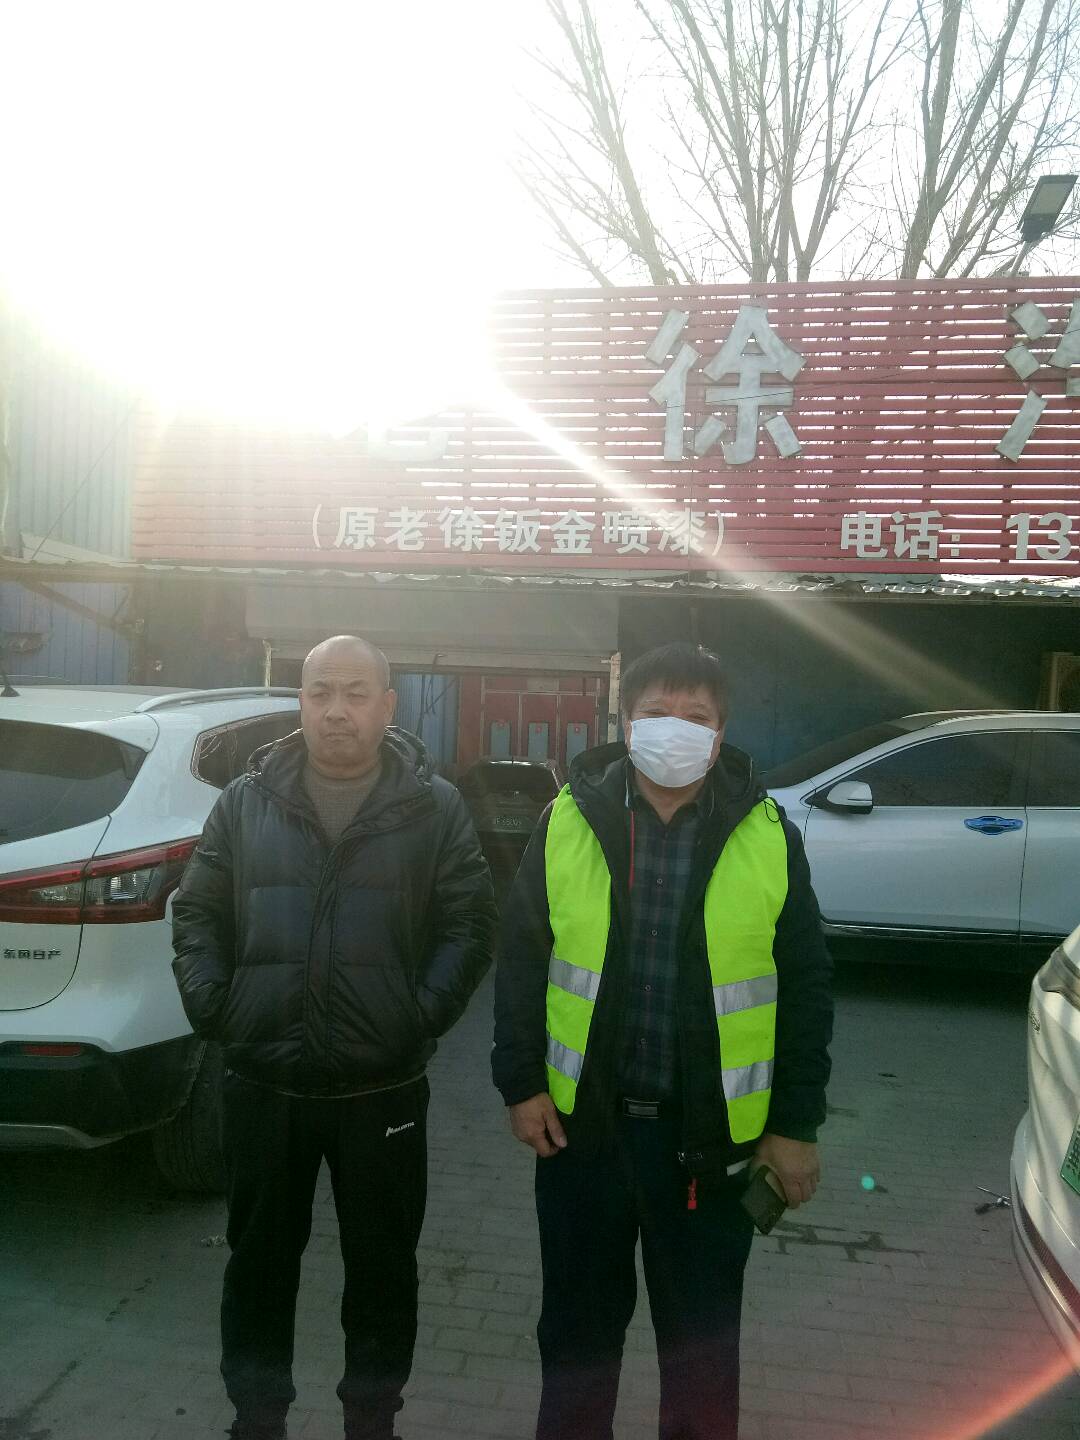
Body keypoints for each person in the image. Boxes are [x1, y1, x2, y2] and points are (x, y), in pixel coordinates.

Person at [492, 641, 833, 1440]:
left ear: (721, 734)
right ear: (625, 721)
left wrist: (795, 1125)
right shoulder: (569, 818)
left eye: (696, 716)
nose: (675, 729)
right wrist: (521, 1082)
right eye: (657, 712)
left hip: (709, 1150)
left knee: (701, 1363)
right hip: (583, 1140)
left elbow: (807, 986)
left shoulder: (767, 833)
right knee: (576, 1344)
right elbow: (521, 956)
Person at [172, 635, 496, 1440]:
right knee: (258, 1268)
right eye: (320, 693)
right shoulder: (245, 802)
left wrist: (416, 1017)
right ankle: (256, 1419)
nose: (336, 711)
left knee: (383, 1272)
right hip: (263, 1086)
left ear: (387, 706)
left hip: (382, 1091)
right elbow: (197, 911)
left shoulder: (434, 807)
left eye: (355, 694)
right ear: (301, 702)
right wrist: (216, 1007)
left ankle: (372, 1420)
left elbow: (469, 923)